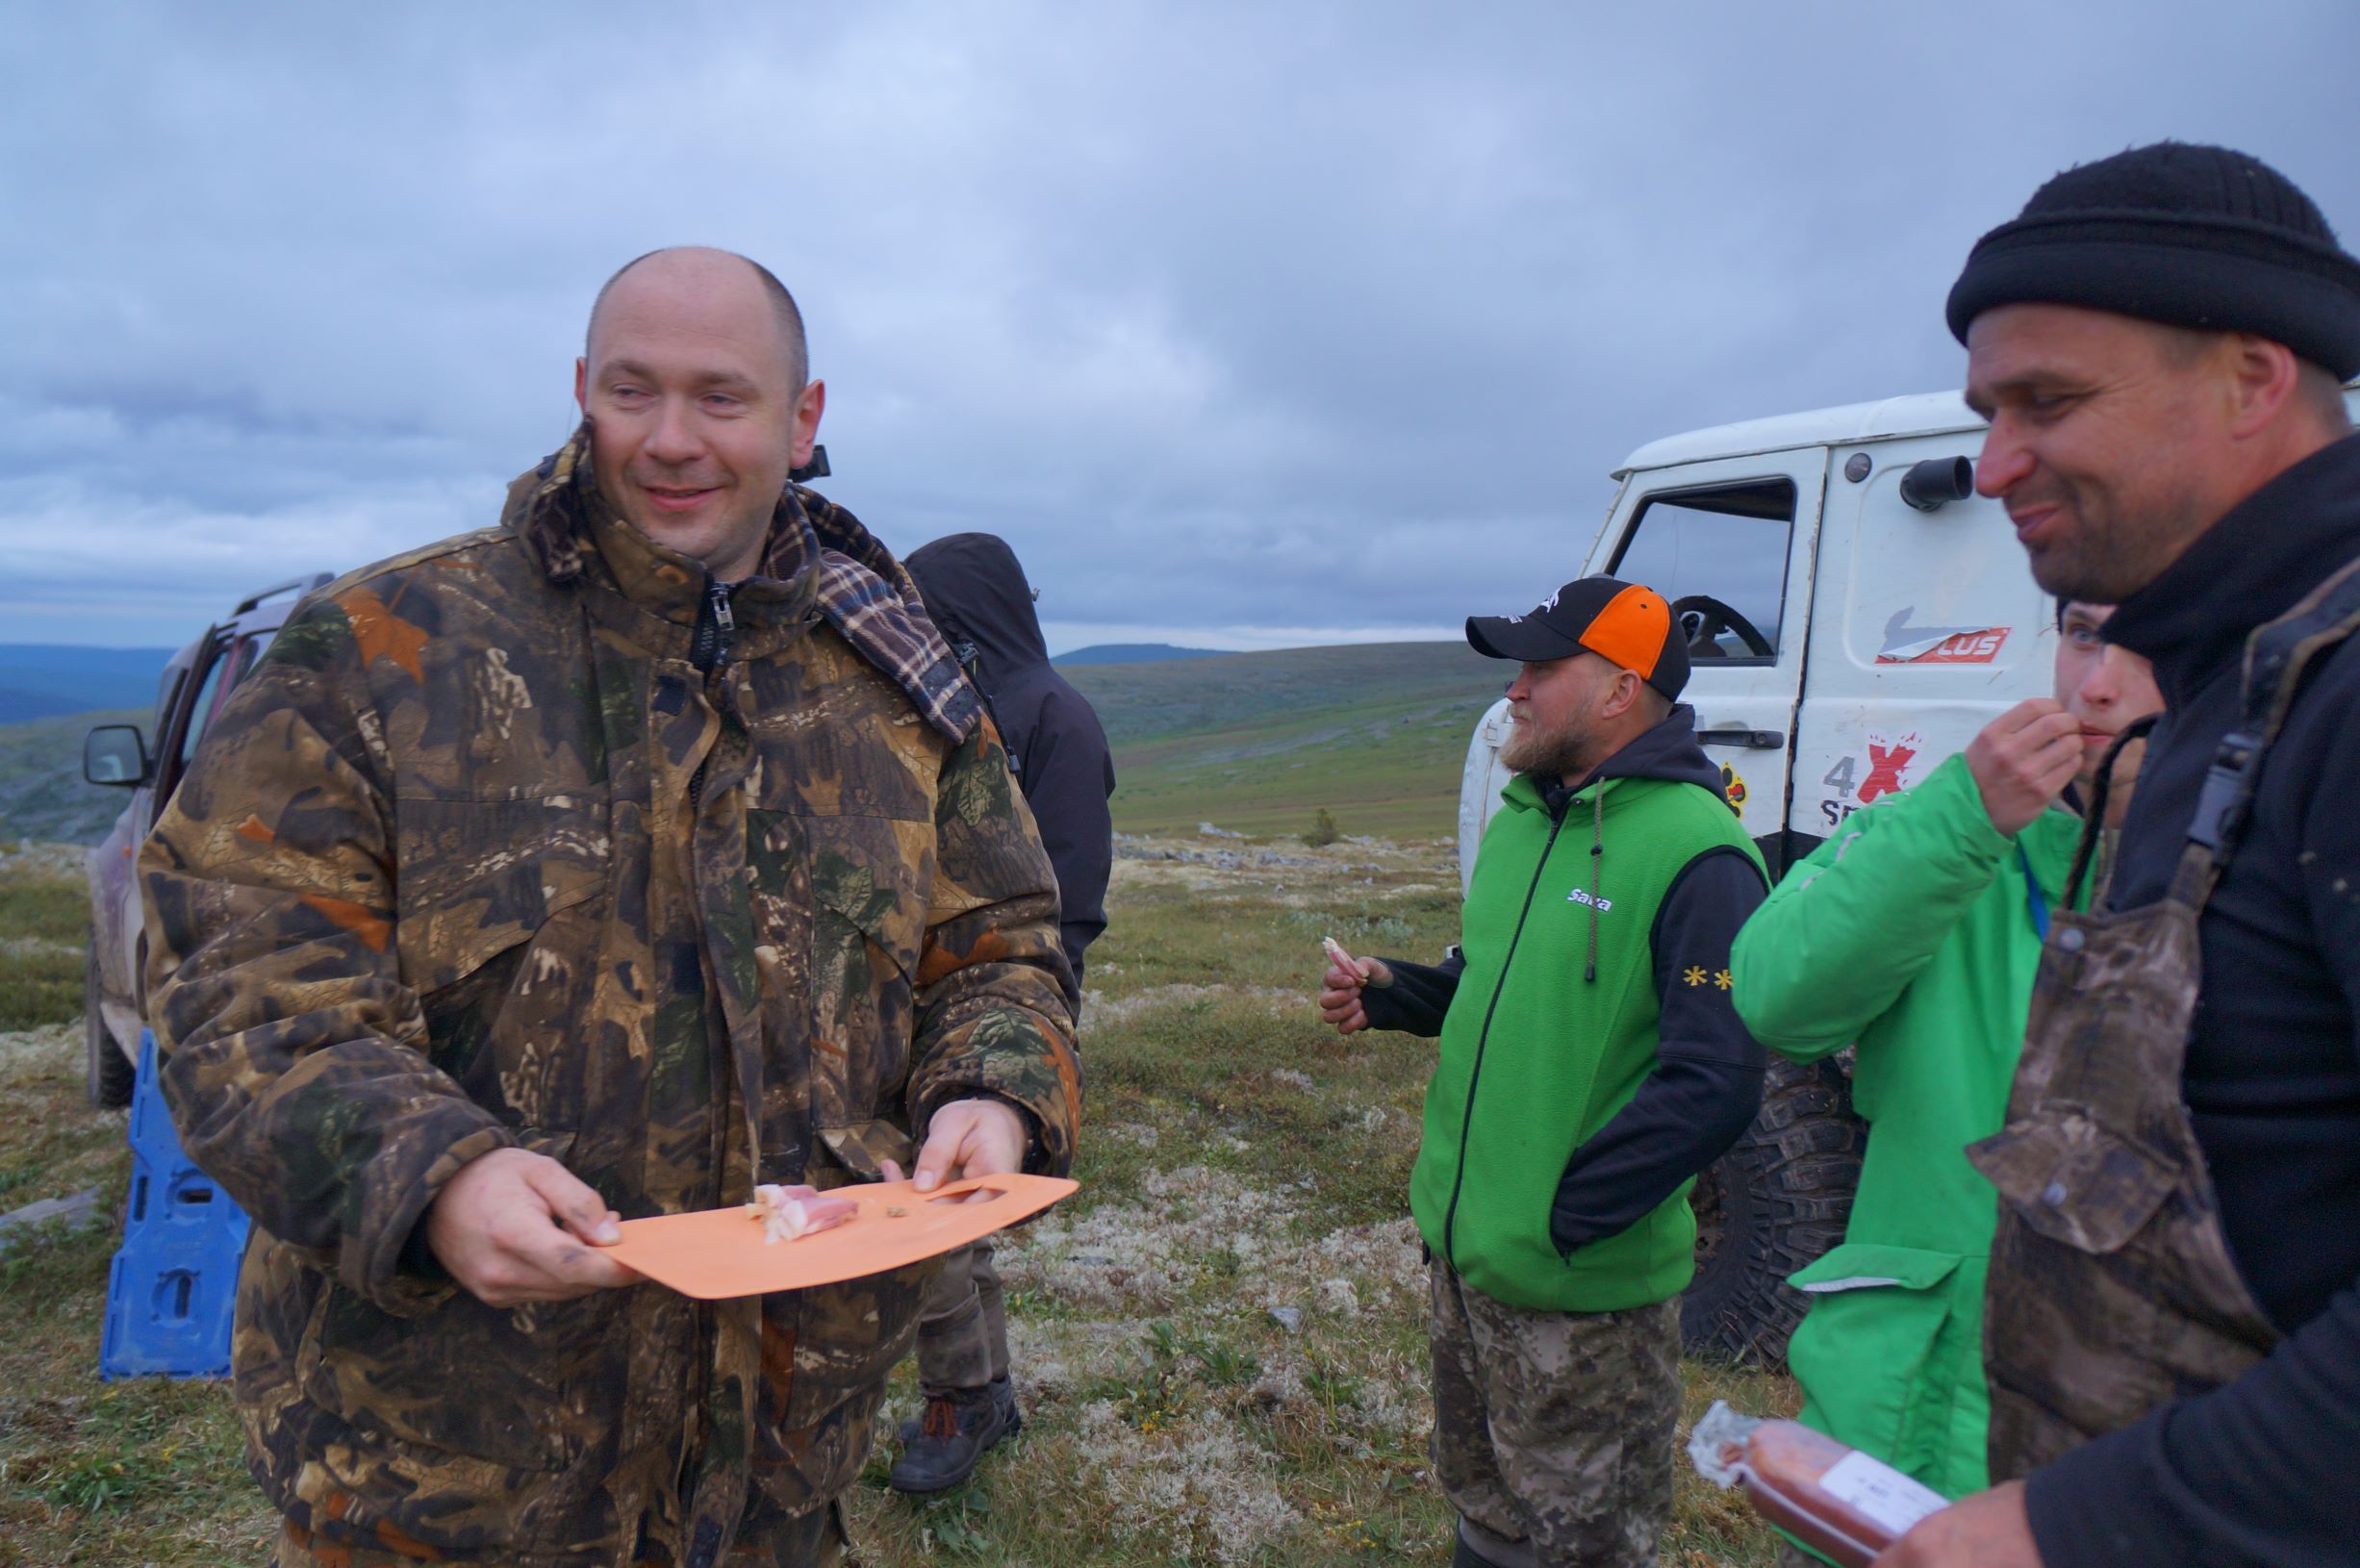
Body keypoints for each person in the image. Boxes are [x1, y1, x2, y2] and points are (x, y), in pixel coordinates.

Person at [139, 247, 1081, 1568]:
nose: (671, 439)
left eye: (721, 397)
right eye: (634, 391)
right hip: (440, 1486)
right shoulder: (378, 651)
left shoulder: (894, 683)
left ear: (802, 420)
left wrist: (992, 1088)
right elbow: (239, 992)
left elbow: (999, 948)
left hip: (780, 1478)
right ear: (583, 388)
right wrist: (431, 1174)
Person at [1878, 142, 2360, 1567]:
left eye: (2049, 402)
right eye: (1987, 414)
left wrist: (2086, 1522)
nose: (1992, 466)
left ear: (2252, 378)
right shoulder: (2224, 688)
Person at [1320, 577, 1768, 1568]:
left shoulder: (1702, 855)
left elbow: (1718, 1079)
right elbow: (1498, 982)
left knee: (1586, 1544)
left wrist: (1562, 1217)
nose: (1513, 690)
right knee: (1485, 1513)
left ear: (1619, 689)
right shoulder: (1527, 818)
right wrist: (1397, 991)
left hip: (1583, 1299)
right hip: (1465, 1264)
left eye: (1539, 668)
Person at [1729, 602, 2163, 1558]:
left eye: (2150, 642)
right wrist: (1964, 817)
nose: (2096, 685)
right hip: (1905, 1444)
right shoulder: (1953, 835)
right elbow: (1774, 997)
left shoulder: (2278, 883)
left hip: (2131, 1465)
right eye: (2082, 633)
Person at [889, 532, 1115, 1491]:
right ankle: (982, 1389)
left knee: (929, 1209)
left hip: (1002, 997)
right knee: (943, 1207)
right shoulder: (959, 704)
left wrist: (1023, 1013)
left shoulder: (1053, 716)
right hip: (930, 992)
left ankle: (964, 1397)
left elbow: (1065, 889)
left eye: (926, 616)